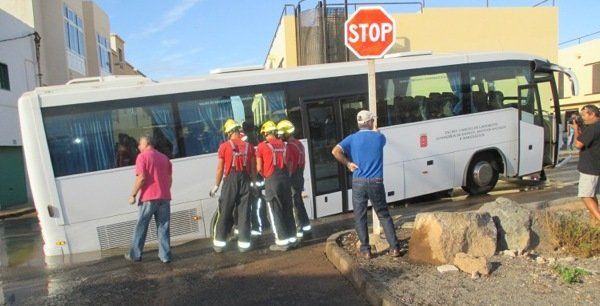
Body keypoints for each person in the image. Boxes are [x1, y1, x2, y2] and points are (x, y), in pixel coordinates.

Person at [331, 110, 401, 259]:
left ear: (359, 123)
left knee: (360, 216)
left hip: (358, 181)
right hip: (376, 181)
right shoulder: (380, 138)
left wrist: (348, 163)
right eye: (373, 121)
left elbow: (335, 151)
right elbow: (380, 137)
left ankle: (366, 250)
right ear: (370, 122)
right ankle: (394, 248)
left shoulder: (351, 139)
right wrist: (377, 132)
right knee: (383, 214)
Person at [209, 119, 255, 252]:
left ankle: (219, 244)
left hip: (230, 180)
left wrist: (216, 185)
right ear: (238, 131)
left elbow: (220, 169)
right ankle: (244, 244)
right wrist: (252, 183)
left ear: (229, 132)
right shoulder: (249, 147)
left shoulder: (224, 146)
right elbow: (253, 169)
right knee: (244, 212)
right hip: (245, 180)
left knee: (225, 211)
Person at [126, 134, 173, 263]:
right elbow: (169, 179)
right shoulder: (164, 158)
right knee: (163, 226)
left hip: (148, 197)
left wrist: (133, 195)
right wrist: (165, 190)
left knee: (141, 225)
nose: (138, 146)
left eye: (140, 144)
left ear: (146, 144)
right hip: (164, 197)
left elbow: (141, 178)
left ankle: (135, 255)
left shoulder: (142, 157)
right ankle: (165, 256)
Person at [256, 120, 297, 251]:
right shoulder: (284, 145)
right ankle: (292, 239)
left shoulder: (262, 146)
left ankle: (281, 242)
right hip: (285, 179)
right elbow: (290, 164)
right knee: (287, 209)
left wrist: (266, 175)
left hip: (272, 180)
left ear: (265, 133)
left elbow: (258, 168)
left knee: (275, 211)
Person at [277, 119, 312, 239]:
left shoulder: (290, 147)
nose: (280, 136)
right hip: (299, 176)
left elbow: (290, 165)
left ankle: (298, 230)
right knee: (299, 202)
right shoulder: (299, 144)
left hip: (293, 177)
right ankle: (306, 226)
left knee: (294, 205)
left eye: (281, 133)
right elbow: (302, 163)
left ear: (286, 133)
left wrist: (288, 178)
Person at [573, 105, 600, 221]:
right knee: (592, 195)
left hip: (590, 167)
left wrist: (575, 129)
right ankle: (594, 221)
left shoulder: (593, 128)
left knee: (586, 195)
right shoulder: (595, 127)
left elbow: (578, 144)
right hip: (596, 165)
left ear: (592, 114)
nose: (582, 118)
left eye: (584, 115)